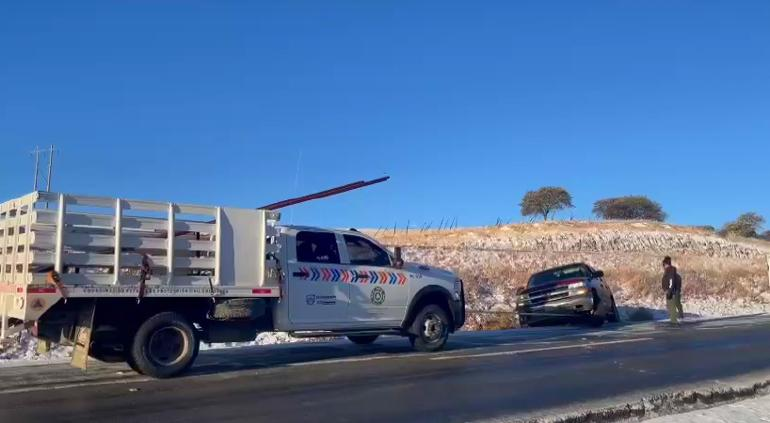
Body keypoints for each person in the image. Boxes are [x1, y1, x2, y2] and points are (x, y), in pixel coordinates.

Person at [661, 256, 683, 324]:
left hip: (671, 291)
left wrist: (669, 291)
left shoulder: (670, 271)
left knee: (671, 306)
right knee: (675, 304)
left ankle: (674, 321)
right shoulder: (673, 272)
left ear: (666, 264)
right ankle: (679, 317)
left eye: (663, 265)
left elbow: (671, 281)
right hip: (674, 291)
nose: (663, 267)